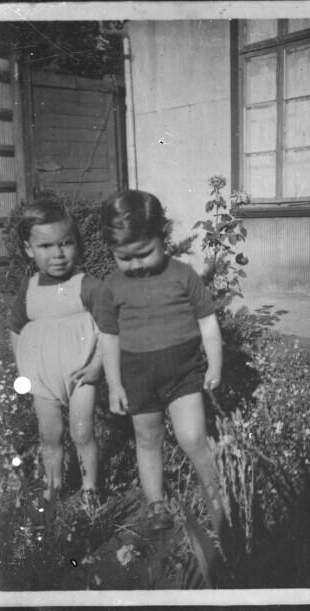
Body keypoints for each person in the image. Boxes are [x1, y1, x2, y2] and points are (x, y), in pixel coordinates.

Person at [97, 189, 225, 536]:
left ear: (162, 237)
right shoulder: (112, 287)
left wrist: (214, 365)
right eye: (125, 258)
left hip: (183, 373)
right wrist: (114, 385)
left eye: (144, 253)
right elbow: (108, 338)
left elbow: (207, 322)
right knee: (147, 439)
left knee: (193, 437)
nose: (136, 264)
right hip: (137, 377)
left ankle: (216, 499)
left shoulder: (183, 275)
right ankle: (156, 503)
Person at [10, 198, 102, 510]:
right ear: (29, 249)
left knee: (82, 431)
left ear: (76, 243)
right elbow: (16, 328)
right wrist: (23, 369)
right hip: (42, 376)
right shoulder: (29, 288)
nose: (58, 254)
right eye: (46, 246)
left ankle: (90, 488)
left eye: (65, 243)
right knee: (50, 434)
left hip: (81, 373)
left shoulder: (87, 285)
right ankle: (53, 486)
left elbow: (108, 331)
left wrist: (97, 366)